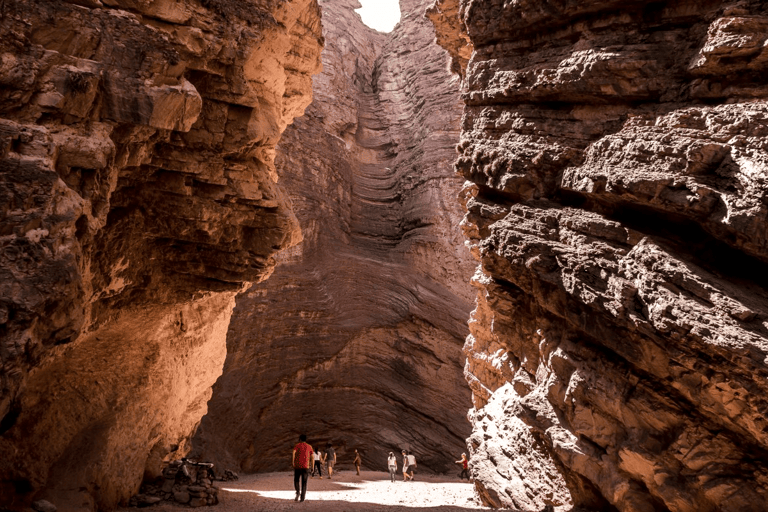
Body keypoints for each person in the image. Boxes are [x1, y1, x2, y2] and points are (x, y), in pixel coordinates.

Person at [292, 434, 314, 502]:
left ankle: (298, 492)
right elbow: (312, 457)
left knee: (296, 480)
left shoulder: (297, 445)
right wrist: (312, 467)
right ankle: (302, 498)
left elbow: (293, 453)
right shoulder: (309, 446)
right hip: (305, 466)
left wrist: (293, 462)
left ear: (300, 439)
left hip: (297, 466)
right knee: (304, 482)